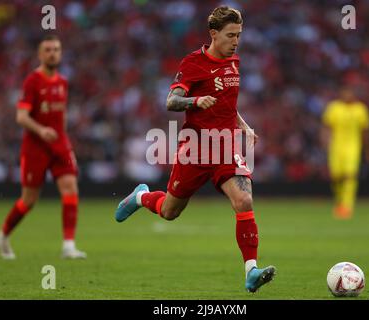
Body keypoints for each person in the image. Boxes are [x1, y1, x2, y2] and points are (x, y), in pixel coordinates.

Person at [115, 6, 275, 293]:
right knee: (169, 211)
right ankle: (141, 197)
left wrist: (244, 126)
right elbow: (171, 101)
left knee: (244, 200)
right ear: (214, 34)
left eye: (239, 35)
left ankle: (251, 271)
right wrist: (194, 102)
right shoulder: (193, 63)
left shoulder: (234, 61)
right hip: (196, 148)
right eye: (230, 35)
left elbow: (227, 102)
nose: (236, 41)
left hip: (225, 145)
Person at [0, 35, 86, 259]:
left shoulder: (63, 82)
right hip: (35, 146)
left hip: (59, 145)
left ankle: (68, 246)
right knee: (29, 201)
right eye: (48, 50)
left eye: (56, 49)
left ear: (61, 52)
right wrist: (41, 130)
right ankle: (4, 235)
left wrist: (63, 138)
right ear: (40, 54)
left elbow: (61, 113)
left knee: (70, 189)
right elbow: (21, 116)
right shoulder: (32, 81)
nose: (53, 53)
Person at [321, 86, 369, 219]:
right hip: (336, 146)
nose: (347, 95)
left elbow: (365, 131)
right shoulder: (334, 108)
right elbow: (326, 127)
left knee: (350, 175)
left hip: (353, 147)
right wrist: (324, 142)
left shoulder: (361, 109)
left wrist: (367, 150)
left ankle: (347, 205)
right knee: (336, 176)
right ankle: (340, 201)